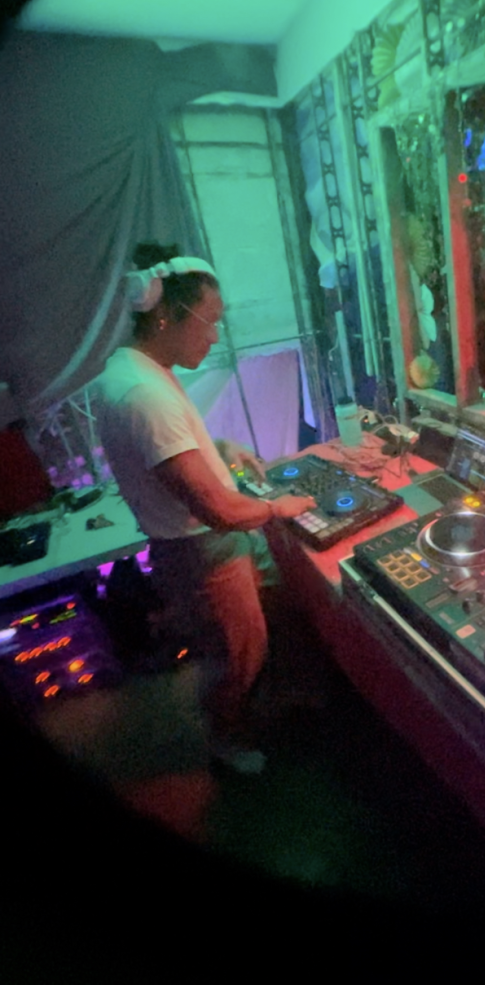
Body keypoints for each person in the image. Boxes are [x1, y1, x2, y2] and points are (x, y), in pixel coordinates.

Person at [94, 243, 315, 773]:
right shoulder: (144, 395)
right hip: (201, 550)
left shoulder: (131, 371)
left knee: (255, 634)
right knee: (239, 655)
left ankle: (265, 704)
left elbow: (169, 457)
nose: (216, 335)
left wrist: (220, 450)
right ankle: (227, 739)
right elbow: (216, 508)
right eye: (209, 321)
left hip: (200, 542)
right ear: (167, 313)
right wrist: (281, 508)